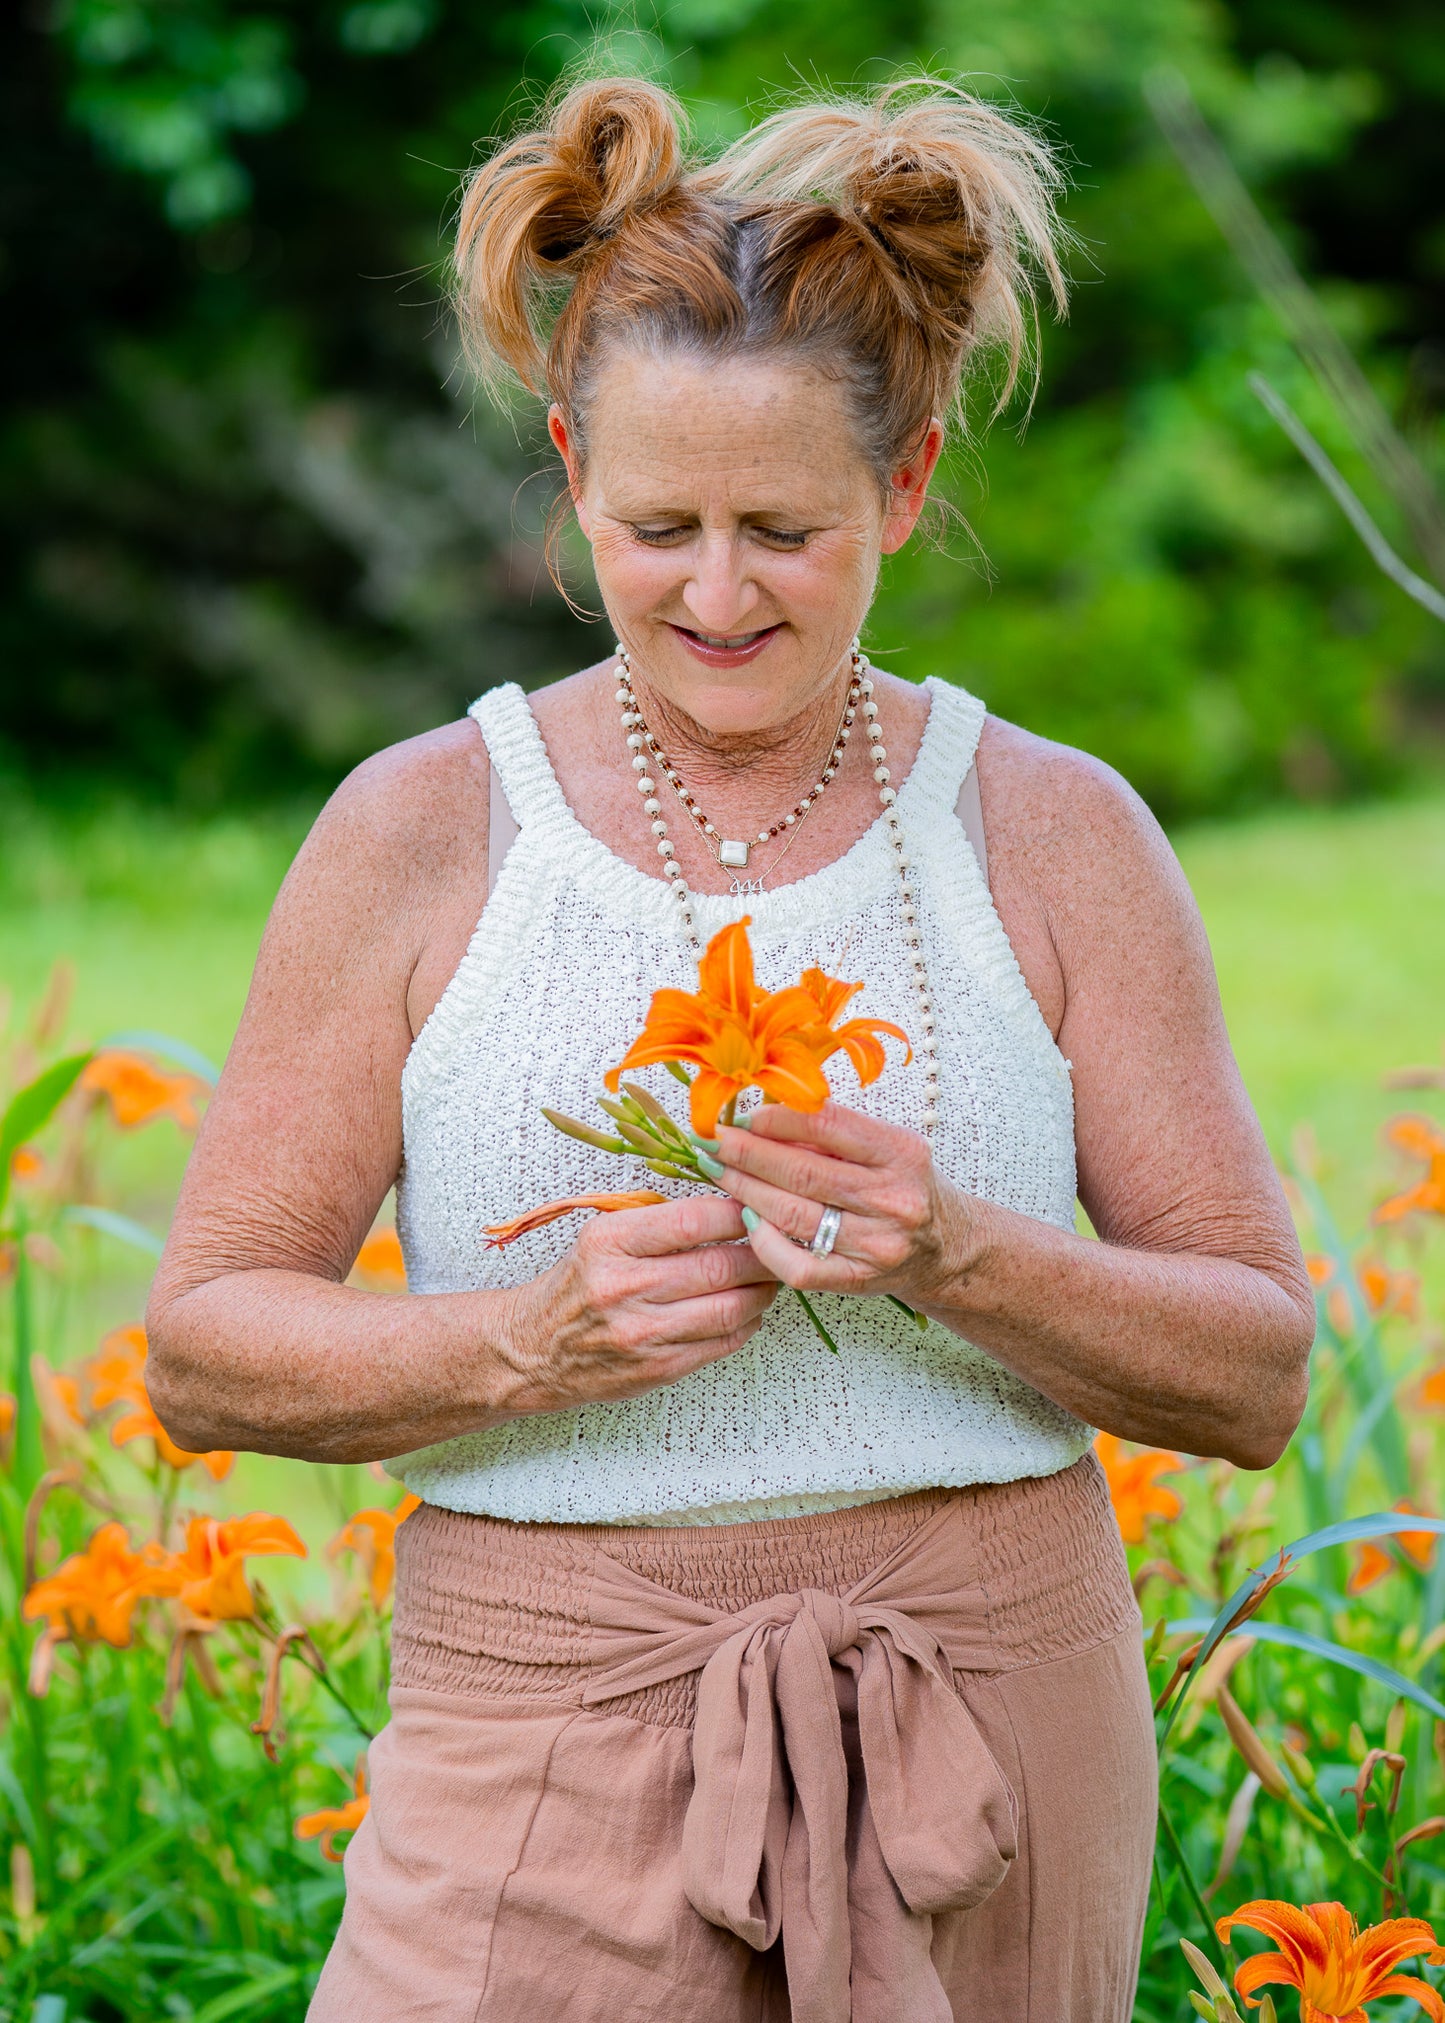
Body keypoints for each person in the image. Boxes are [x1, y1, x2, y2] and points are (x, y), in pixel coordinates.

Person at [146, 74, 1314, 2023]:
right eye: (652, 524)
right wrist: (527, 1339)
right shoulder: (422, 832)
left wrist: (959, 1249)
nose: (713, 592)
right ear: (565, 475)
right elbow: (201, 1345)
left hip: (992, 1735)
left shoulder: (1054, 834)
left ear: (913, 484)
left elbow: (1262, 1370)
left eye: (783, 528)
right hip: (545, 1721)